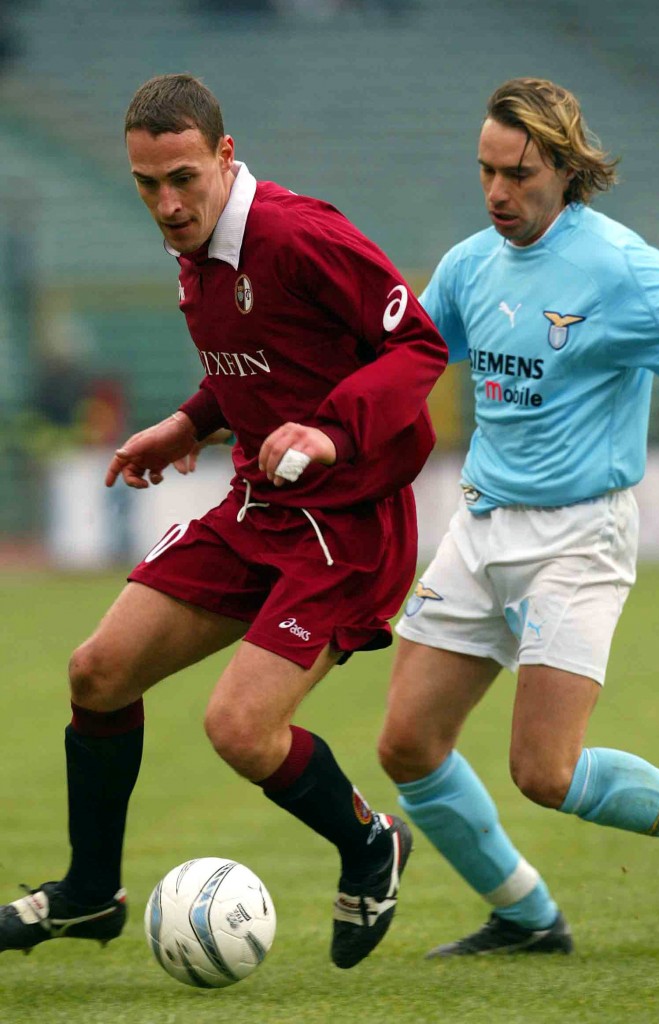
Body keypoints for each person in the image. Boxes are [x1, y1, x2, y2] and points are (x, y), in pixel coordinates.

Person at [0, 73, 448, 970]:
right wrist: (186, 423)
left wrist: (329, 433)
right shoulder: (196, 245)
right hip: (256, 506)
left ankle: (371, 844)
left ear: (225, 157)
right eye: (147, 185)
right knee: (98, 673)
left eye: (183, 179)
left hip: (347, 526)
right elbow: (266, 361)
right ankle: (91, 895)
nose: (167, 205)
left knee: (239, 729)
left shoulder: (297, 234)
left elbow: (418, 347)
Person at [378, 76, 659, 958]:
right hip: (483, 526)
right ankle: (527, 918)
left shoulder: (618, 266)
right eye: (486, 171)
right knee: (408, 745)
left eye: (520, 174)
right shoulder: (467, 265)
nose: (498, 192)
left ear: (566, 170)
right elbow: (399, 368)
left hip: (578, 537)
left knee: (546, 772)